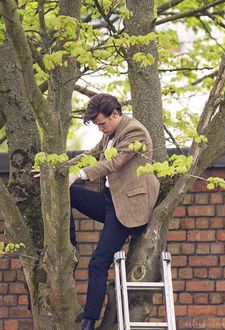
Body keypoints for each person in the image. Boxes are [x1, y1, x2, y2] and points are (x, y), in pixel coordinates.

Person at [69, 93, 160, 330]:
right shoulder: (111, 133)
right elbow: (92, 155)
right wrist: (62, 168)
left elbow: (115, 163)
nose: (100, 129)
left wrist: (78, 175)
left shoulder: (133, 131)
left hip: (128, 208)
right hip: (111, 202)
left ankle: (88, 324)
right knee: (68, 193)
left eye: (102, 123)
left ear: (116, 114)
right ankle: (70, 247)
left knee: (98, 263)